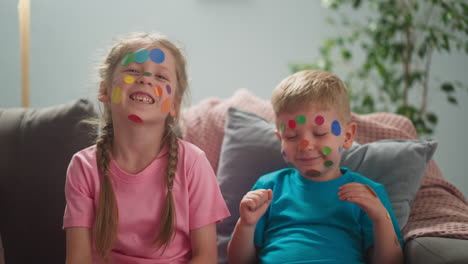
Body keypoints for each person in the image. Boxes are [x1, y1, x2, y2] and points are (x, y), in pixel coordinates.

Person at [63, 32, 230, 264]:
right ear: (105, 91)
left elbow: (206, 256)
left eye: (161, 77)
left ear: (175, 105)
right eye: (132, 71)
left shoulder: (193, 162)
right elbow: (78, 259)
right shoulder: (83, 166)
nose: (146, 79)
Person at [227, 70, 404, 264]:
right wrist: (246, 224)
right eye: (292, 137)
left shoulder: (370, 194)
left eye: (319, 133)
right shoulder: (270, 187)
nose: (305, 145)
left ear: (347, 136)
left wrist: (380, 217)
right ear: (280, 139)